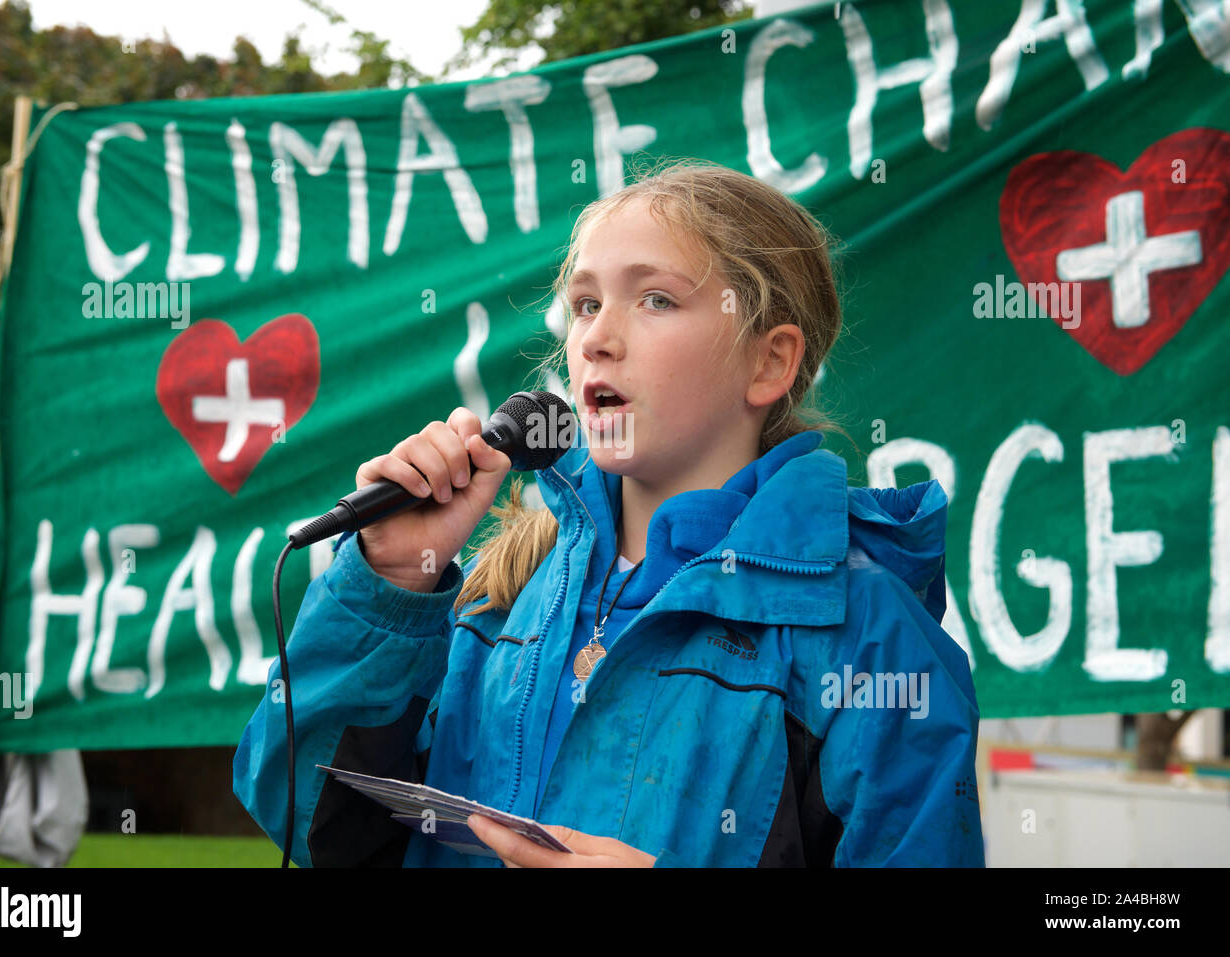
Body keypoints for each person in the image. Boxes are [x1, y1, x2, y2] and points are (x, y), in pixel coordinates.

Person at [233, 160, 984, 867]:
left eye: (655, 298)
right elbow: (308, 818)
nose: (596, 337)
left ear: (769, 363)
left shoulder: (873, 638)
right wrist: (390, 585)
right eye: (586, 303)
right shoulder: (498, 596)